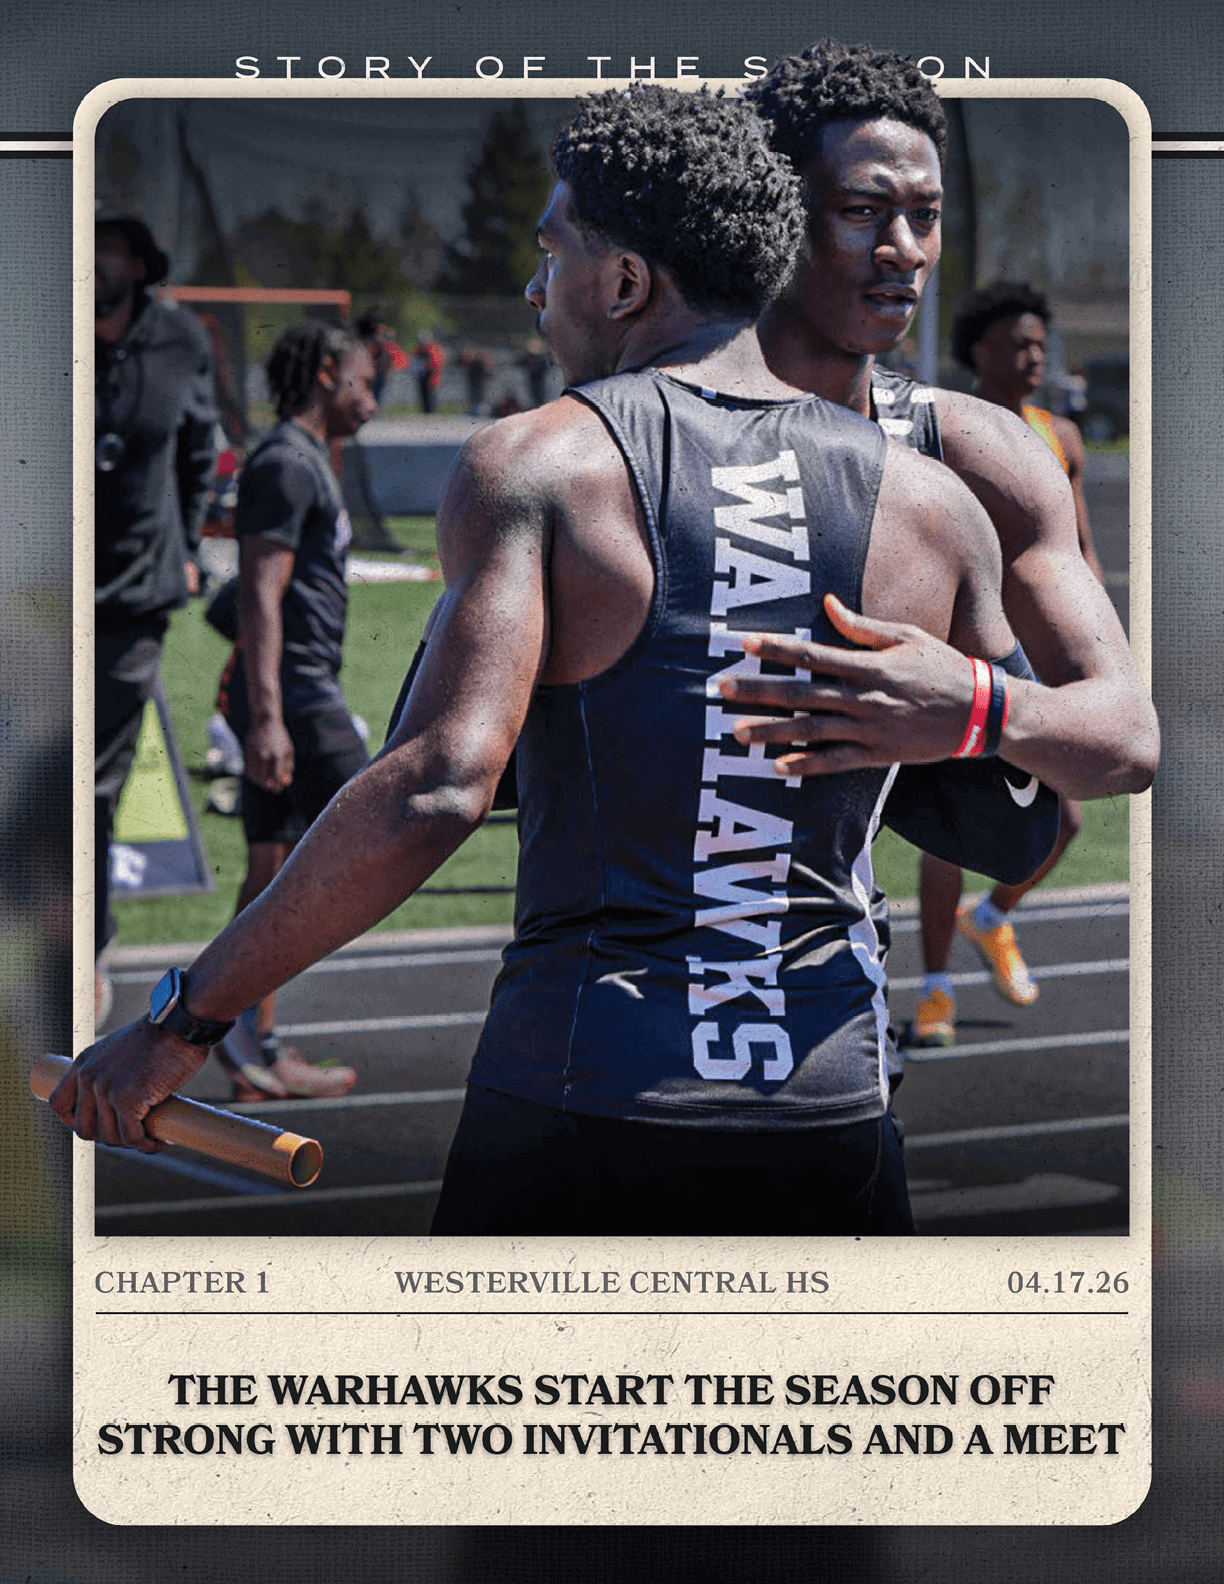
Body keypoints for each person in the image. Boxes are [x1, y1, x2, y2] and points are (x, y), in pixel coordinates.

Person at [53, 85, 1051, 1236]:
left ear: (625, 282)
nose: (535, 289)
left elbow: (438, 787)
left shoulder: (542, 464)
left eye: (553, 251)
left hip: (589, 1101)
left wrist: (180, 1021)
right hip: (829, 1109)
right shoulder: (934, 507)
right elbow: (1018, 821)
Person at [737, 42, 1158, 1047]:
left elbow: (1128, 738)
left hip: (826, 1046)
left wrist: (973, 705)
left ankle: (938, 978)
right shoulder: (627, 444)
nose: (905, 247)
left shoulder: (986, 455)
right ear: (773, 213)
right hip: (596, 1040)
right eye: (863, 210)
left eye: (923, 215)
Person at [212, 321, 378, 1099]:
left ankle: (251, 1044)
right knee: (374, 838)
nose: (371, 403)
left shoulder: (306, 460)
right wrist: (271, 716)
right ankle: (219, 1017)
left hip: (295, 686)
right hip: (295, 691)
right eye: (363, 383)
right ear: (323, 374)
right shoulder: (285, 461)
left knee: (272, 872)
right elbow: (257, 593)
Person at [94, 215, 216, 1025]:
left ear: (135, 263)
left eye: (101, 248)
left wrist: (191, 539)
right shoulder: (40, 322)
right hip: (38, 589)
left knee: (93, 782)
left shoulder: (179, 340)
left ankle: (86, 951)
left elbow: (199, 448)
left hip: (135, 594)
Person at [411, 330, 445, 413]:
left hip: (432, 374)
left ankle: (431, 412)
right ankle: (426, 411)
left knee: (431, 395)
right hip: (422, 374)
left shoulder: (433, 348)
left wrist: (428, 366)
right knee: (423, 395)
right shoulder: (420, 349)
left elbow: (437, 363)